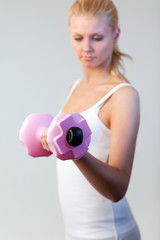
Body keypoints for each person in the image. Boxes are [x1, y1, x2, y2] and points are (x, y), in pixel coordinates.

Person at [41, 0, 141, 239]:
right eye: (78, 38)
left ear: (115, 34)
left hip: (110, 233)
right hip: (75, 233)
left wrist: (75, 151)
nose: (86, 47)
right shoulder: (74, 88)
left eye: (97, 38)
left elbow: (117, 188)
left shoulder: (123, 96)